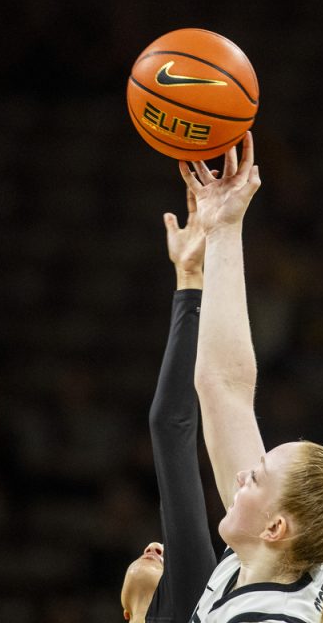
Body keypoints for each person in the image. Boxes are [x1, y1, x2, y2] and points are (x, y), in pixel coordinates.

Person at [182, 133, 323, 623]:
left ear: (275, 526)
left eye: (255, 477)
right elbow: (224, 387)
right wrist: (224, 226)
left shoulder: (271, 606)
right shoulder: (270, 561)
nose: (241, 474)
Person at [119, 188, 218, 621]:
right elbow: (170, 424)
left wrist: (189, 279)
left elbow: (170, 424)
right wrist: (190, 279)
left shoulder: (184, 603)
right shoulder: (188, 603)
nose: (158, 545)